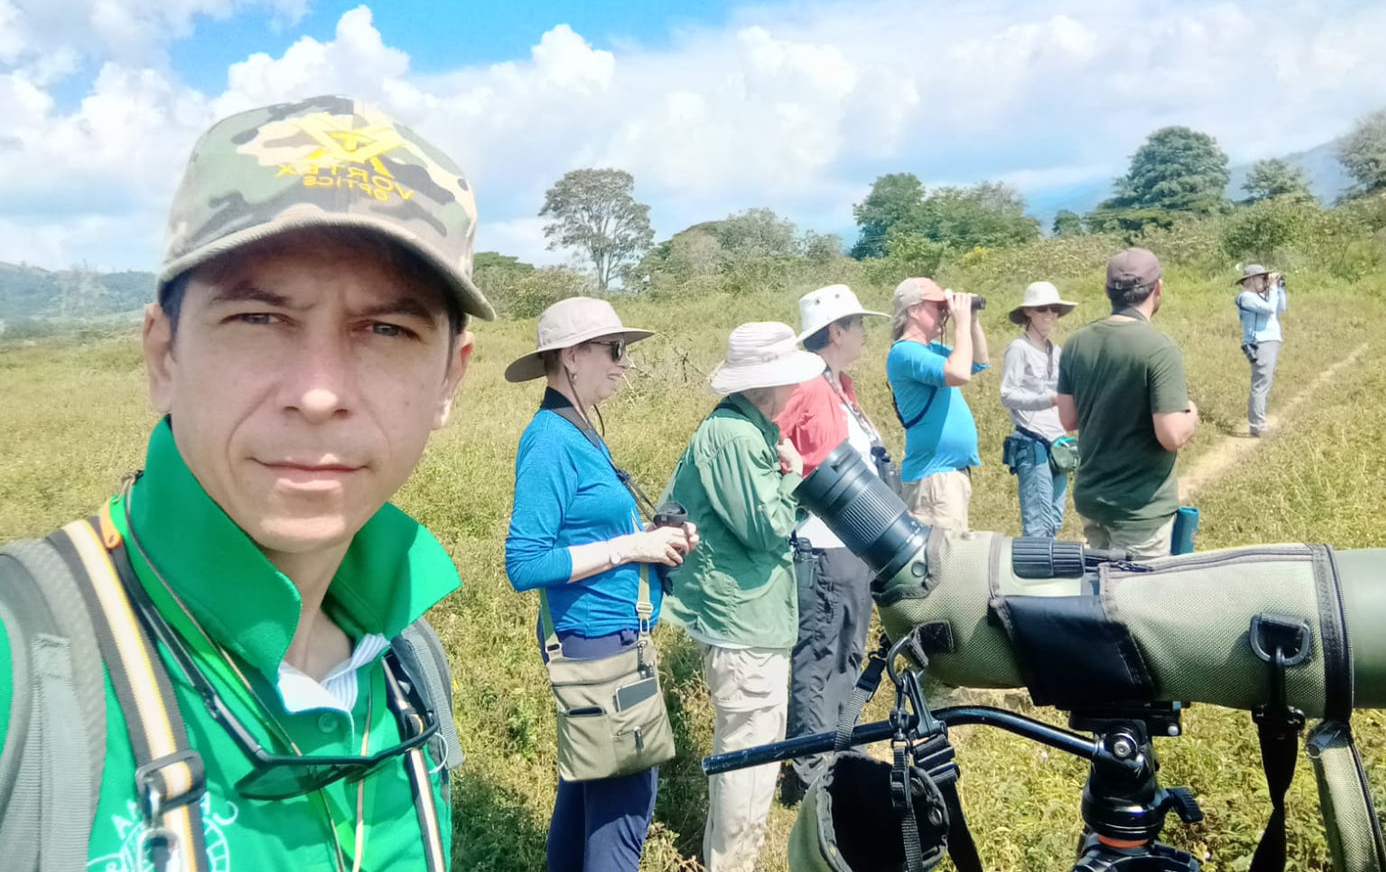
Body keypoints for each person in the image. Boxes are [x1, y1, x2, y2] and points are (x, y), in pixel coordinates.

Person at [0, 97, 486, 870]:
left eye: (387, 329)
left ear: (447, 383)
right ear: (164, 356)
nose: (319, 392)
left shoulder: (406, 665)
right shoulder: (23, 656)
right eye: (258, 318)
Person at [504, 296, 699, 872]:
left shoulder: (579, 429)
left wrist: (651, 540)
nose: (624, 363)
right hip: (597, 645)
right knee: (622, 816)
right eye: (612, 350)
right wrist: (630, 546)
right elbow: (525, 563)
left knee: (587, 791)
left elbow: (587, 529)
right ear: (570, 357)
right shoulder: (550, 440)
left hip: (606, 637)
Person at [661, 322, 824, 872]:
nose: (794, 390)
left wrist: (780, 474)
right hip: (740, 619)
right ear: (763, 385)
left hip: (752, 616)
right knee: (749, 758)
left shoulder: (748, 431)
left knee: (756, 749)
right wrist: (794, 475)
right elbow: (766, 526)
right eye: (786, 379)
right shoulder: (733, 436)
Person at [773, 284, 887, 803]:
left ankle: (839, 751)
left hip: (855, 544)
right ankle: (810, 769)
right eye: (858, 324)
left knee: (849, 650)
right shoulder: (806, 385)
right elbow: (784, 452)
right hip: (821, 543)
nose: (865, 333)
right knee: (819, 655)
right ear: (835, 331)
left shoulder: (842, 385)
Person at [1056, 248, 1198, 560]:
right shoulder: (1159, 349)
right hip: (1140, 508)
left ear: (1107, 292)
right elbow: (1171, 435)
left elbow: (1068, 420)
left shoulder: (1076, 343)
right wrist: (1191, 415)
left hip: (1092, 500)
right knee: (1138, 599)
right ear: (1158, 289)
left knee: (1099, 591)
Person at [885, 277, 990, 533]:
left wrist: (972, 319)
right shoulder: (905, 352)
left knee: (951, 561)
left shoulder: (930, 349)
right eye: (938, 306)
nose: (944, 313)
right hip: (934, 482)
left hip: (946, 478)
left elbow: (978, 362)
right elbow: (959, 374)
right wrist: (961, 324)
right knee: (943, 564)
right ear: (913, 309)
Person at [1000, 281, 1078, 539]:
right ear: (1028, 312)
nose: (1050, 314)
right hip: (1032, 441)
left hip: (1059, 445)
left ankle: (1045, 571)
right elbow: (1007, 394)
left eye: (1054, 309)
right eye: (1042, 308)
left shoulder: (1057, 352)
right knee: (1037, 526)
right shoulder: (1018, 349)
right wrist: (1048, 399)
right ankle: (1035, 575)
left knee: (1053, 521)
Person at [1235, 264, 1288, 437]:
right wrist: (1272, 289)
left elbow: (1281, 308)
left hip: (1269, 342)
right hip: (1260, 343)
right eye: (1262, 278)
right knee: (1260, 385)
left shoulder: (1260, 297)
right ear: (1250, 280)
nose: (1265, 281)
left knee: (1264, 384)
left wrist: (1278, 289)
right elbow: (1269, 310)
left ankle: (1258, 423)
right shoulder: (1246, 297)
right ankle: (1257, 426)